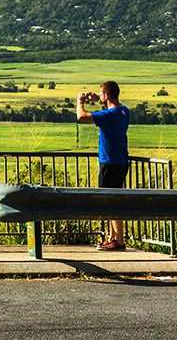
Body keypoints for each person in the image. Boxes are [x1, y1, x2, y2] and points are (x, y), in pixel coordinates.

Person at [76, 80, 130, 251]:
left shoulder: (109, 116)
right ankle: (112, 237)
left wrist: (81, 102)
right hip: (121, 161)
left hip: (109, 163)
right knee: (114, 200)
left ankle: (119, 241)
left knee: (111, 202)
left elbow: (81, 117)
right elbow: (109, 110)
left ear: (106, 95)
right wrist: (97, 99)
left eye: (101, 94)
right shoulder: (124, 111)